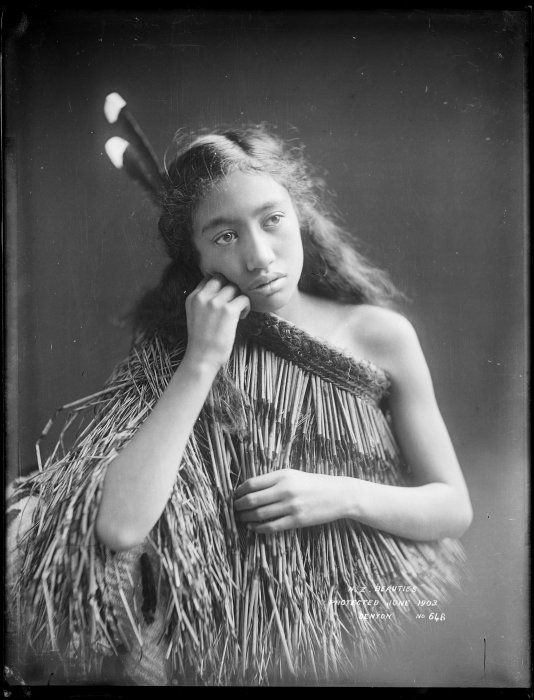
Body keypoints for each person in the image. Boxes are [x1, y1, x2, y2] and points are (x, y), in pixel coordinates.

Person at [7, 124, 472, 686]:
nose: (259, 256)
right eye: (225, 236)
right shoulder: (178, 352)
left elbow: (453, 507)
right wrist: (201, 359)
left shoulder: (379, 335)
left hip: (365, 642)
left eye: (272, 219)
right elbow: (121, 527)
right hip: (231, 655)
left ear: (298, 214)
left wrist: (341, 495)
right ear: (196, 257)